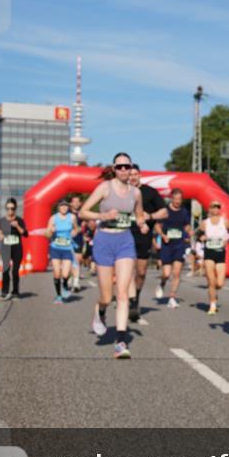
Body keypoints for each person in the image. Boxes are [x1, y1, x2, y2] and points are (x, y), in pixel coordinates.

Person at [79, 152, 151, 359]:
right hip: (104, 241)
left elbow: (138, 215)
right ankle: (100, 310)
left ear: (131, 169)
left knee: (122, 294)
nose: (123, 170)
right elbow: (83, 212)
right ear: (113, 169)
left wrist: (143, 224)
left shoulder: (136, 193)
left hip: (125, 242)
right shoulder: (105, 187)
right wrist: (103, 215)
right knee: (106, 296)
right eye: (119, 167)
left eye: (126, 167)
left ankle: (121, 341)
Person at [126, 165, 168, 323]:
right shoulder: (122, 191)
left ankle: (135, 297)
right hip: (125, 235)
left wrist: (149, 216)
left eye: (135, 174)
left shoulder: (150, 192)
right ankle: (129, 300)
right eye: (130, 174)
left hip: (144, 237)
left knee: (141, 272)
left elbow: (164, 212)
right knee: (128, 270)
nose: (132, 177)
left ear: (140, 175)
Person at [154, 188, 192, 309]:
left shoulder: (184, 211)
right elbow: (157, 226)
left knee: (176, 273)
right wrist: (163, 235)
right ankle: (162, 283)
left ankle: (172, 297)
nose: (177, 201)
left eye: (179, 199)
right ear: (171, 198)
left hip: (179, 245)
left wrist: (188, 233)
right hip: (167, 245)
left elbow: (187, 226)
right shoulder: (165, 211)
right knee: (166, 273)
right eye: (175, 199)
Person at [199, 199, 229, 315]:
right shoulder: (205, 223)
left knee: (220, 283)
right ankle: (212, 305)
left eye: (218, 207)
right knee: (211, 280)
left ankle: (214, 293)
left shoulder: (225, 222)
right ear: (209, 209)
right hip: (209, 253)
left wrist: (226, 241)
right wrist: (201, 238)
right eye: (213, 207)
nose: (215, 209)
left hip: (220, 254)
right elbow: (199, 236)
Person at [45, 199, 80, 303]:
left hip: (67, 248)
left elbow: (76, 228)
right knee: (56, 273)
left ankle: (65, 286)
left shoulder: (72, 217)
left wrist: (75, 232)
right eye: (62, 206)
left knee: (65, 274)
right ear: (58, 207)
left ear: (68, 207)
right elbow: (46, 235)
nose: (64, 208)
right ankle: (59, 295)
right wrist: (50, 231)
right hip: (55, 247)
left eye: (65, 206)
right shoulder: (53, 218)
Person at [0, 198, 28, 300]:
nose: (10, 210)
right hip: (6, 248)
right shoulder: (2, 221)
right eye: (8, 208)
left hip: (17, 248)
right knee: (5, 270)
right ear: (6, 208)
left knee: (15, 271)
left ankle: (15, 292)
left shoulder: (19, 220)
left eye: (12, 208)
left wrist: (17, 226)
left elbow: (25, 234)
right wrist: (1, 235)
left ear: (15, 209)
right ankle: (4, 292)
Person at [69, 195, 85, 293]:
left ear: (80, 203)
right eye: (74, 201)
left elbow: (86, 224)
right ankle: (71, 277)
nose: (75, 203)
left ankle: (76, 282)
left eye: (77, 201)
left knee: (77, 260)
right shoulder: (67, 213)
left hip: (78, 239)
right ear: (71, 203)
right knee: (70, 261)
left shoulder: (82, 213)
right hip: (68, 239)